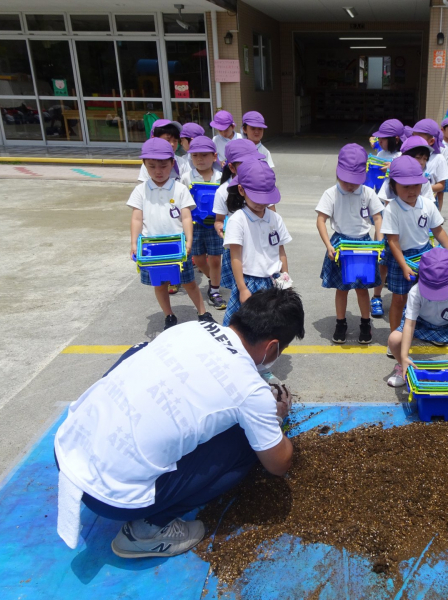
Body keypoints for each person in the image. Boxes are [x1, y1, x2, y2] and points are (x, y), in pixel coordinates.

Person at [54, 288, 305, 558]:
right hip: (109, 499)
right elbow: (278, 464)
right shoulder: (251, 390)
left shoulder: (190, 329)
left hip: (67, 449)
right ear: (272, 347)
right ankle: (148, 530)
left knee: (139, 353)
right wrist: (274, 417)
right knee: (248, 443)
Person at [128, 138, 214, 330]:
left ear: (172, 164)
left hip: (177, 244)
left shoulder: (180, 188)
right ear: (145, 166)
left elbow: (186, 217)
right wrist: (134, 243)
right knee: (159, 285)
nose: (158, 171)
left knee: (189, 282)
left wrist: (189, 240)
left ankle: (202, 312)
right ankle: (169, 315)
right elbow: (136, 218)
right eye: (152, 166)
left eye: (163, 166)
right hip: (151, 246)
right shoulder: (140, 190)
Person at [381, 156, 448, 358]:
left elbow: (438, 231)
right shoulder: (392, 209)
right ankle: (394, 339)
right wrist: (404, 265)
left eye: (416, 185)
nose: (411, 191)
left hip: (424, 256)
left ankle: (427, 333)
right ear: (393, 186)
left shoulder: (428, 204)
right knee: (399, 299)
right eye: (405, 186)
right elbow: (393, 241)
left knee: (427, 298)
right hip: (400, 258)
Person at [387, 247, 448, 394]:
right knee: (394, 340)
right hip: (422, 324)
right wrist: (405, 356)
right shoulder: (415, 291)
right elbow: (410, 323)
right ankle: (404, 366)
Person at [316, 144, 384, 345]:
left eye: (354, 181)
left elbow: (378, 218)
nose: (350, 185)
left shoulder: (368, 193)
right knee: (342, 287)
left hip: (364, 244)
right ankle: (341, 323)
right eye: (346, 181)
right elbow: (321, 220)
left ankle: (365, 323)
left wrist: (379, 243)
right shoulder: (331, 193)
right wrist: (328, 244)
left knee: (362, 288)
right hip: (341, 244)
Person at [372, 138, 437, 319]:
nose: (422, 162)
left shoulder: (421, 183)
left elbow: (431, 214)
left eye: (425, 159)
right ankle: (376, 296)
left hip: (417, 239)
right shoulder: (394, 190)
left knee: (415, 294)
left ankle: (411, 324)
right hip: (395, 236)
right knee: (383, 267)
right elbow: (386, 205)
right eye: (418, 158)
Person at [223, 160, 291, 326]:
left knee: (271, 325)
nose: (262, 203)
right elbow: (235, 257)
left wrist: (285, 279)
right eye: (257, 198)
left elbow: (281, 251)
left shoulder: (275, 218)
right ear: (241, 190)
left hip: (273, 281)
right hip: (249, 282)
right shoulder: (238, 220)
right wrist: (242, 288)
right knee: (242, 326)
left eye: (266, 198)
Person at [213, 139, 267, 302]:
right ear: (231, 167)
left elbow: (271, 213)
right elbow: (219, 220)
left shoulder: (261, 185)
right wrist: (221, 228)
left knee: (263, 289)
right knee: (241, 291)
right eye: (244, 164)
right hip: (237, 247)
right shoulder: (223, 191)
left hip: (260, 244)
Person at [180, 136, 225, 309]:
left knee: (215, 259)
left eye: (204, 155)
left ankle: (214, 289)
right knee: (198, 259)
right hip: (194, 225)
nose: (199, 159)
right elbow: (182, 202)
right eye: (195, 155)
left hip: (215, 224)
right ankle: (213, 278)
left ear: (214, 156)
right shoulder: (186, 177)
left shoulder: (221, 177)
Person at [411, 118, 448, 211]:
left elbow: (441, 185)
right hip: (410, 200)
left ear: (431, 141)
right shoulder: (409, 154)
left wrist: (424, 188)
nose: (414, 140)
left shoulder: (439, 159)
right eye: (413, 136)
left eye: (419, 137)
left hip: (428, 202)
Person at [138, 120, 188, 184]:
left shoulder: (182, 163)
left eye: (175, 141)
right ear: (154, 139)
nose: (172, 144)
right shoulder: (148, 165)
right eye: (167, 140)